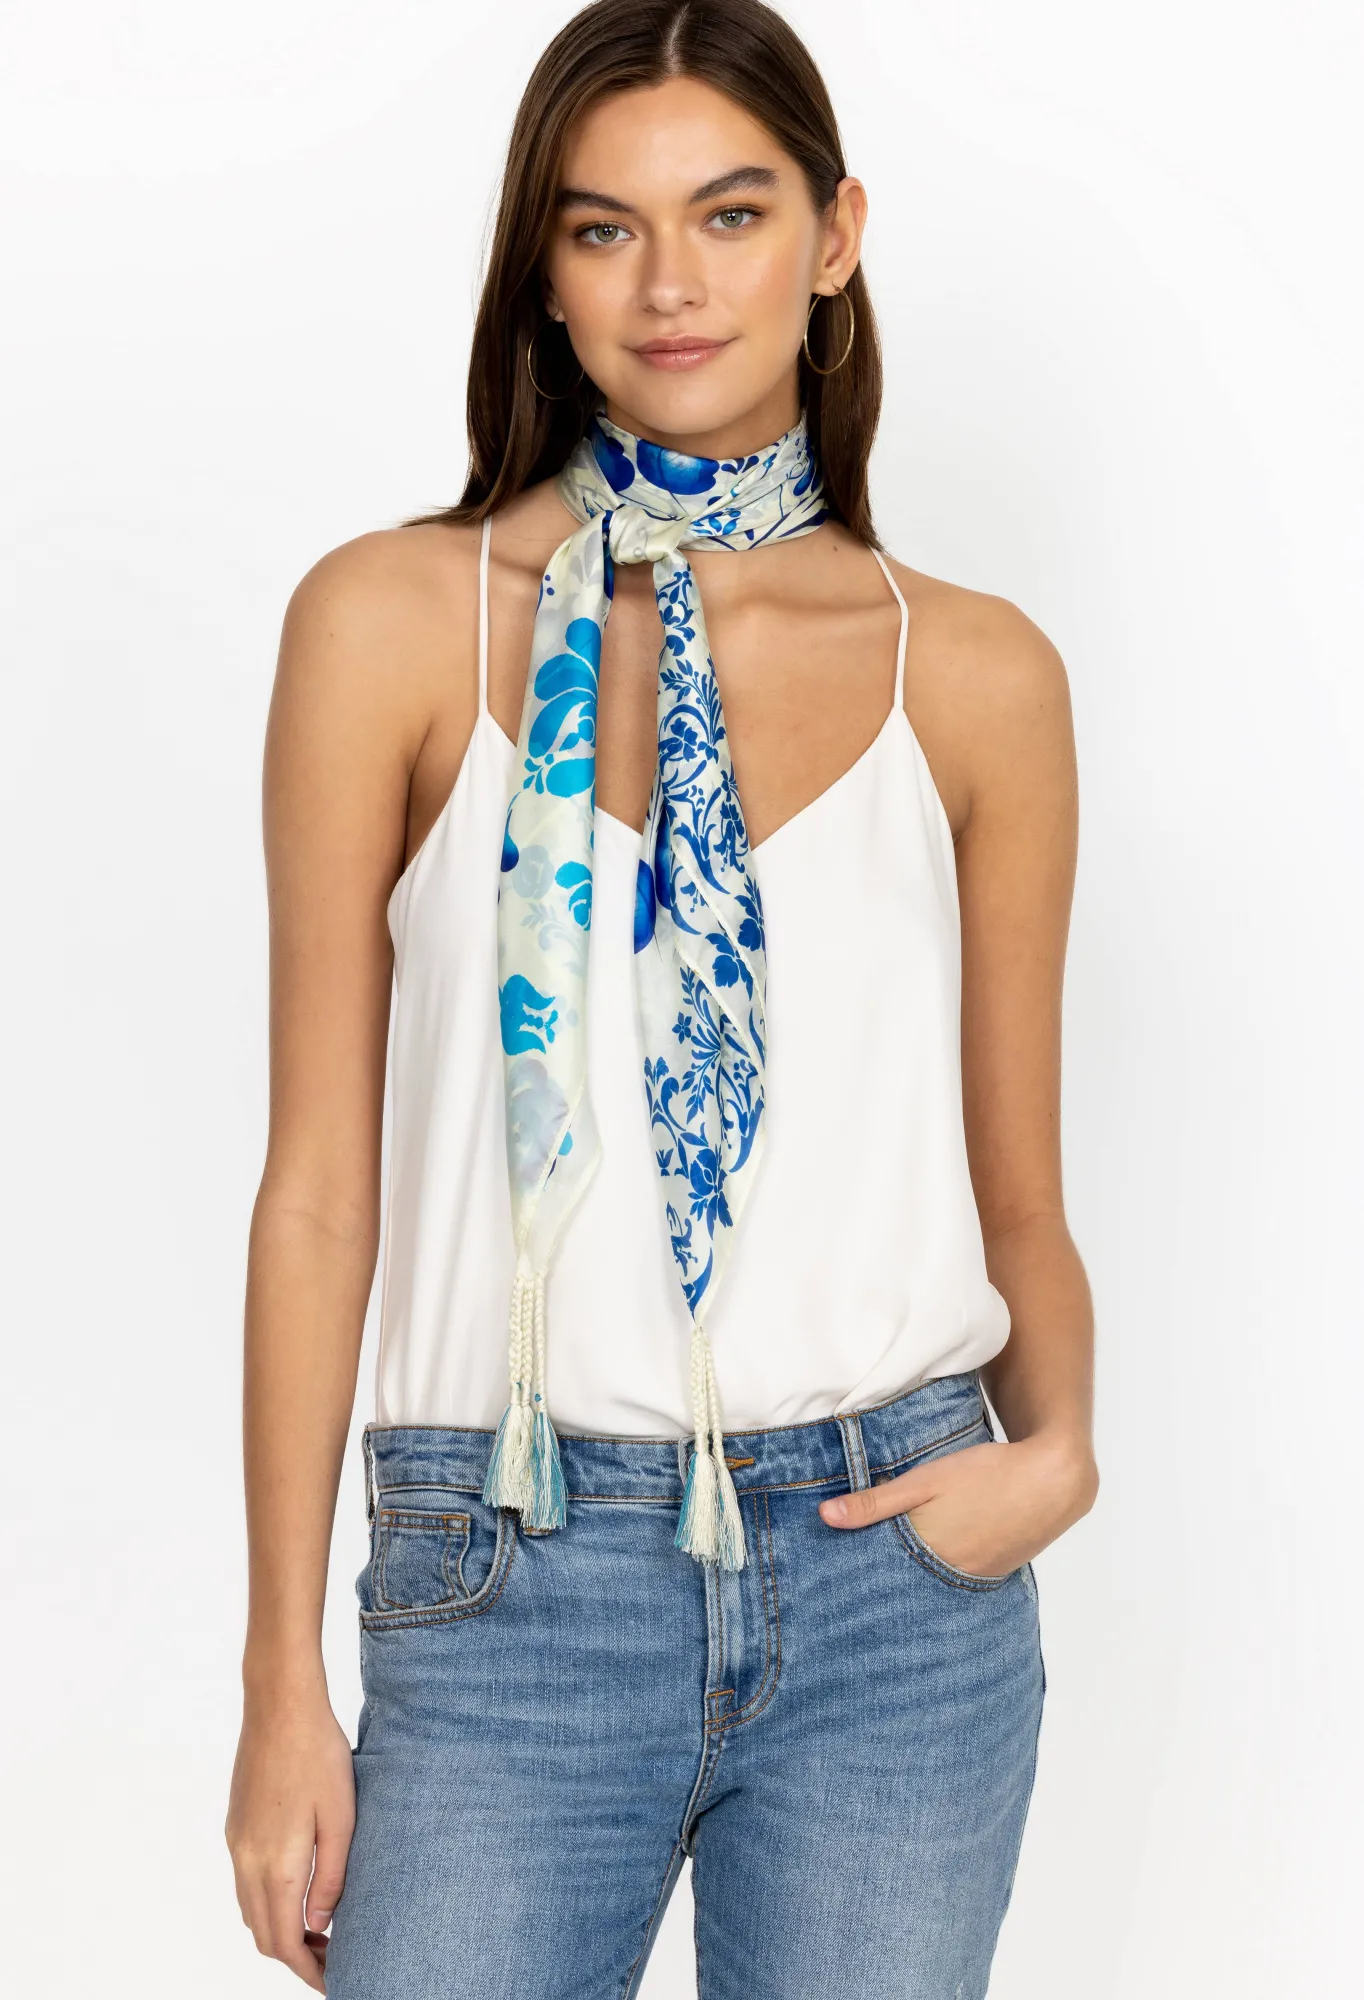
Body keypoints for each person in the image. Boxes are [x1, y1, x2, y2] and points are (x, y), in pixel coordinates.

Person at [225, 2, 1098, 1993]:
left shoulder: (977, 675)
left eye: (731, 212)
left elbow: (1021, 1192)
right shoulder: (388, 626)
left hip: (895, 1582)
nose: (670, 282)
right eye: (603, 227)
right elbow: (318, 1195)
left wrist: (1059, 1451)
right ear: (542, 270)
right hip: (507, 1570)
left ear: (835, 236)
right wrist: (282, 1677)